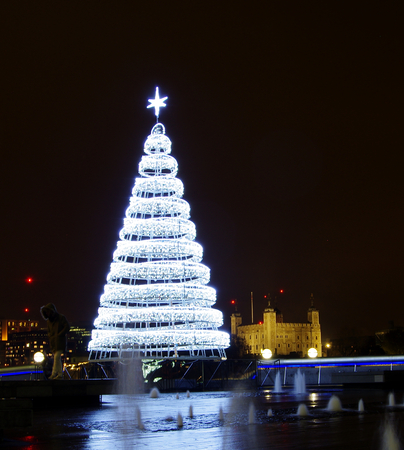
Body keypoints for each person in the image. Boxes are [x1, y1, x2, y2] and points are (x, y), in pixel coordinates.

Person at [40, 303, 70, 380]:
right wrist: (52, 337)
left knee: (56, 357)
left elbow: (67, 327)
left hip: (60, 342)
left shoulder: (61, 318)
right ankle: (60, 374)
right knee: (57, 358)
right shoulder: (49, 321)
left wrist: (60, 334)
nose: (47, 313)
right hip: (54, 343)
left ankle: (53, 374)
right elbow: (49, 332)